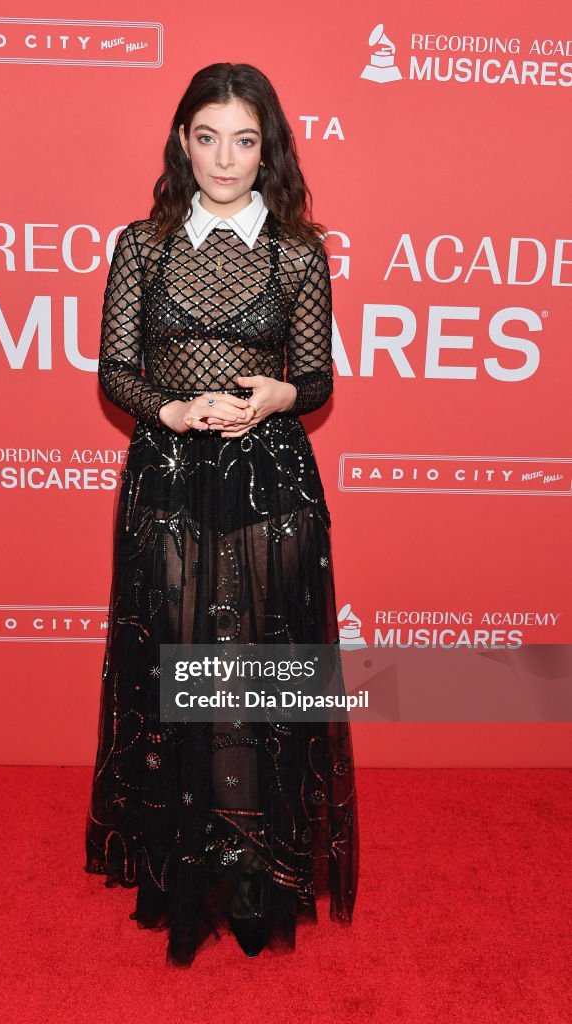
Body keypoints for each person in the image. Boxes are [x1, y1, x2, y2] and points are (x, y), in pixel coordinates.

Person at [84, 62, 359, 967]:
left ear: (266, 147)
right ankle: (176, 857)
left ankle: (252, 865)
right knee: (174, 657)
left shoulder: (297, 251)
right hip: (167, 468)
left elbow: (315, 378)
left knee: (254, 662)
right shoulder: (142, 246)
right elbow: (114, 373)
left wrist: (279, 393)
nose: (226, 158)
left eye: (245, 139)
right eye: (208, 137)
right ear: (182, 142)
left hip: (267, 478)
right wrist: (170, 409)